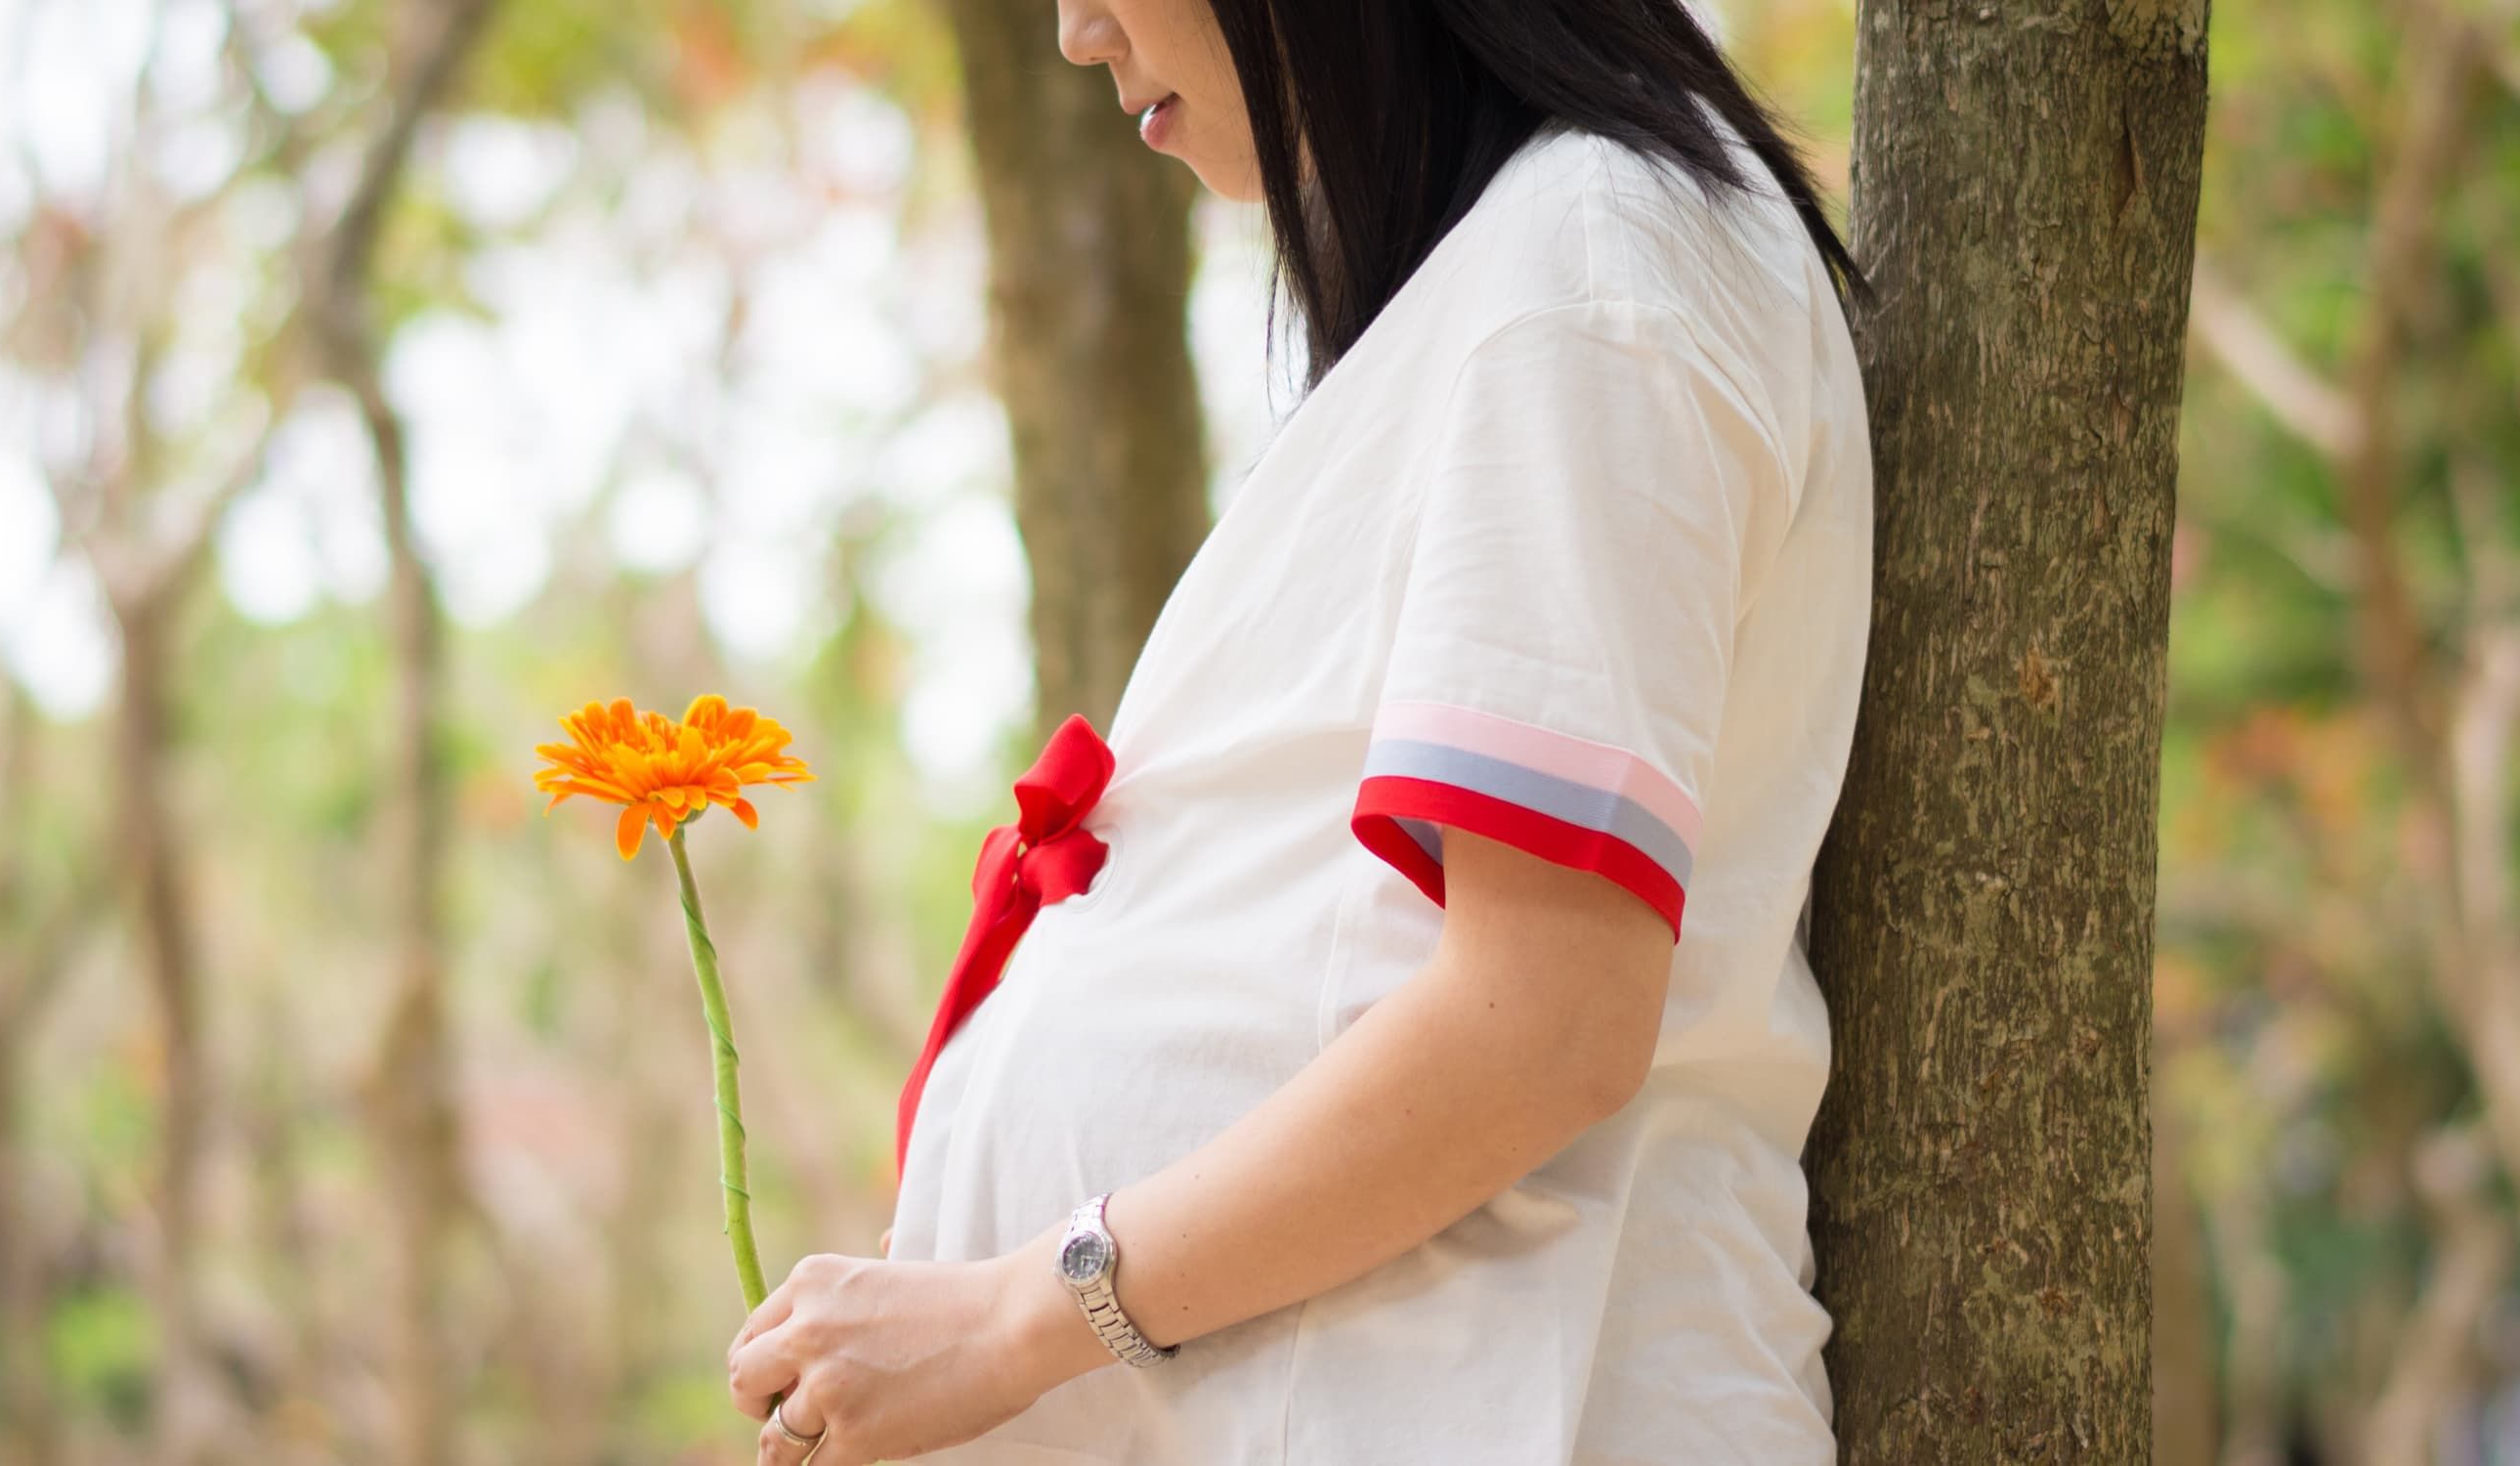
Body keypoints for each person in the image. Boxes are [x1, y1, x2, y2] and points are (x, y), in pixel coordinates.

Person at [726, 0, 1872, 1460]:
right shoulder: (1529, 272)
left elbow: (1546, 1023)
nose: (1078, 32)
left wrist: (1012, 1321)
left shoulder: (1591, 274)